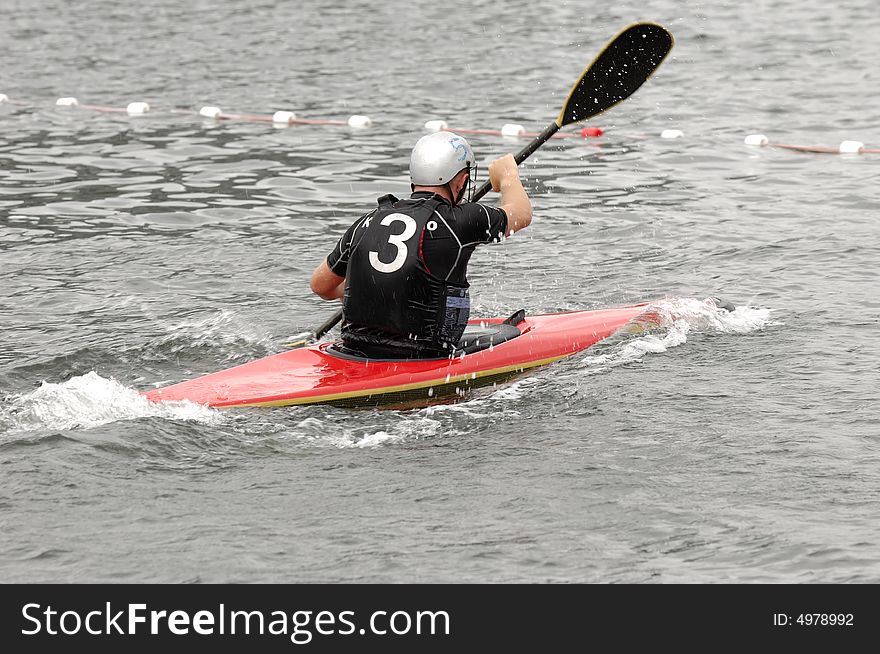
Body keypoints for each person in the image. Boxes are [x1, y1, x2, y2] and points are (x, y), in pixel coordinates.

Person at [310, 131, 532, 359]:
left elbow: (320, 285)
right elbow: (521, 214)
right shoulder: (460, 220)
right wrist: (508, 176)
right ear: (461, 181)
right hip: (423, 356)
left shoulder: (366, 221)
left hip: (353, 353)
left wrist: (373, 290)